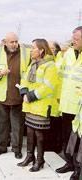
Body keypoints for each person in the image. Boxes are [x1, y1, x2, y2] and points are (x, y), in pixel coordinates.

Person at [17, 39, 59, 172]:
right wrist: (23, 91)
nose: (31, 51)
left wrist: (30, 96)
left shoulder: (50, 65)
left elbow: (48, 87)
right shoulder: (33, 64)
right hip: (30, 105)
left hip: (41, 104)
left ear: (41, 50)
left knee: (39, 134)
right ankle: (30, 156)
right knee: (29, 130)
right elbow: (24, 78)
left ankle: (40, 159)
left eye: (33, 48)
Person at [0, 32, 30, 159]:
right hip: (3, 95)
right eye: (12, 42)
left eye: (16, 41)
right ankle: (1, 147)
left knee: (17, 125)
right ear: (5, 42)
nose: (14, 44)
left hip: (18, 95)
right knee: (2, 123)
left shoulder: (25, 53)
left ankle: (17, 149)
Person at [56, 26, 82, 180]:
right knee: (66, 136)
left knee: (78, 139)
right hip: (66, 103)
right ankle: (69, 163)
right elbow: (59, 73)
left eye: (77, 39)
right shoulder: (69, 54)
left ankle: (78, 168)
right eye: (73, 38)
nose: (73, 41)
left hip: (79, 107)